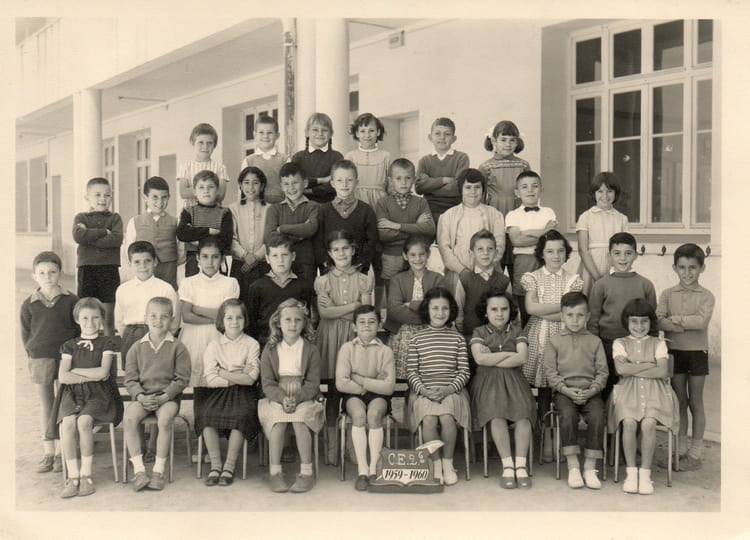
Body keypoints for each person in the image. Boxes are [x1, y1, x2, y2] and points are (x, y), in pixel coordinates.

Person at [521, 230, 583, 461]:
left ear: (566, 253)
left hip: (565, 338)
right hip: (538, 338)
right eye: (550, 251)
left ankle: (558, 438)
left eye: (560, 251)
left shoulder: (573, 280)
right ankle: (543, 438)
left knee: (560, 388)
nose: (556, 256)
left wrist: (545, 309)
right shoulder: (533, 278)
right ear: (542, 254)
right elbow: (531, 308)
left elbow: (571, 314)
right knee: (542, 390)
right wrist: (562, 307)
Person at [54, 297, 124, 498]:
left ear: (102, 319)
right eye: (85, 318)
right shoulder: (69, 346)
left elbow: (103, 373)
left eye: (95, 318)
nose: (90, 322)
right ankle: (73, 476)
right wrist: (87, 375)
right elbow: (63, 376)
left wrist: (76, 371)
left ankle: (86, 475)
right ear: (77, 319)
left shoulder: (106, 343)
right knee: (67, 424)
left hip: (99, 393)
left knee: (84, 422)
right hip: (72, 394)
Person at [178, 236, 240, 459]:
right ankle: (202, 444)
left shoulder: (230, 283)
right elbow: (186, 316)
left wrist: (198, 309)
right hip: (195, 340)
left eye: (215, 257)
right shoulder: (189, 283)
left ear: (222, 259)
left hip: (221, 340)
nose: (210, 262)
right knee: (201, 391)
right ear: (197, 259)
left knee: (220, 388)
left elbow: (227, 315)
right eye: (205, 257)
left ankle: (220, 440)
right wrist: (215, 316)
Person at [608, 298, 679, 495]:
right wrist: (650, 365)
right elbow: (621, 369)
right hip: (627, 391)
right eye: (634, 321)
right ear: (627, 321)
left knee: (648, 424)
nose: (639, 326)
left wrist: (634, 367)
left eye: (644, 321)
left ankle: (645, 474)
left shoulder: (659, 343)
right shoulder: (619, 343)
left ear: (651, 322)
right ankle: (631, 473)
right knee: (629, 423)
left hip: (655, 391)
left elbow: (662, 371)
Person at [657, 243, 715, 470]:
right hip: (674, 352)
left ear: (702, 268)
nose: (687, 273)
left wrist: (676, 321)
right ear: (674, 268)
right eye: (682, 267)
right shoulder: (667, 294)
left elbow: (702, 322)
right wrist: (683, 323)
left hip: (698, 352)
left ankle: (696, 452)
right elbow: (659, 321)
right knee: (679, 401)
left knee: (695, 402)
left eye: (693, 267)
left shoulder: (707, 296)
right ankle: (680, 449)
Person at [20, 251, 79, 474]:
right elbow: (26, 334)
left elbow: (77, 330)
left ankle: (65, 452)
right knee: (47, 405)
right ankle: (49, 451)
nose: (47, 276)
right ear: (34, 276)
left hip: (66, 359)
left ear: (60, 273)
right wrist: (33, 352)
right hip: (41, 358)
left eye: (52, 272)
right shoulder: (29, 304)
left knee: (64, 405)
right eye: (42, 273)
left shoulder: (71, 300)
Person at [469, 290, 535, 490]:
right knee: (496, 415)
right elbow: (479, 359)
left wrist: (492, 357)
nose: (499, 314)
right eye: (494, 309)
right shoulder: (479, 332)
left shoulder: (517, 331)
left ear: (510, 311)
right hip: (487, 382)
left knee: (523, 416)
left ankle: (520, 466)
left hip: (515, 381)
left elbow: (522, 357)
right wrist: (508, 354)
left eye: (504, 309)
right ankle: (507, 466)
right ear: (486, 312)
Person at [124, 297, 191, 491]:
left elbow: (182, 379)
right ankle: (139, 471)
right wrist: (140, 396)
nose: (158, 321)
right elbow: (130, 380)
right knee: (129, 418)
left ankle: (158, 471)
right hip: (143, 397)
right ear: (145, 318)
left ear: (172, 320)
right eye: (153, 316)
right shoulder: (136, 347)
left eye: (164, 316)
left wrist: (165, 396)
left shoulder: (178, 347)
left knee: (164, 420)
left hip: (167, 398)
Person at [258, 299, 324, 493]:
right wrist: (282, 398)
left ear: (304, 323)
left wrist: (297, 398)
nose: (293, 324)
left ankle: (306, 472)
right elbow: (267, 383)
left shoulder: (311, 350)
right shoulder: (270, 349)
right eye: (287, 320)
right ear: (278, 322)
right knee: (278, 421)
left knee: (299, 420)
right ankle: (275, 472)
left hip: (305, 396)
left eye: (298, 320)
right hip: (277, 396)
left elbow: (312, 384)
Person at [543, 292, 608, 489]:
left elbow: (602, 372)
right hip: (564, 392)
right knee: (568, 415)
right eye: (570, 315)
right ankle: (573, 467)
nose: (575, 320)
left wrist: (593, 389)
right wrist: (566, 390)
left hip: (590, 392)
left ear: (587, 316)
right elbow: (550, 372)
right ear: (562, 316)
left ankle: (590, 467)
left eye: (580, 315)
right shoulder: (554, 341)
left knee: (597, 415)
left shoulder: (595, 341)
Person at [407, 287, 471, 486]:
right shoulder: (416, 339)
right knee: (428, 419)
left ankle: (447, 463)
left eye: (444, 308)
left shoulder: (457, 339)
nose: (440, 313)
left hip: (452, 391)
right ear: (427, 310)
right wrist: (424, 391)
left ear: (451, 311)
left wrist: (449, 389)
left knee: (446, 417)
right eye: (435, 308)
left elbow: (464, 372)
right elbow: (412, 372)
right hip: (424, 392)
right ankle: (435, 464)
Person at [199, 299, 261, 487]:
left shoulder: (252, 344)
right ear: (222, 321)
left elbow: (251, 379)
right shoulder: (214, 345)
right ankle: (215, 466)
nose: (234, 322)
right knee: (206, 415)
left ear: (245, 320)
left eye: (239, 317)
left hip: (245, 392)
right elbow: (211, 379)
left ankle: (229, 466)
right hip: (218, 392)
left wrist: (223, 372)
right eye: (229, 318)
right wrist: (238, 374)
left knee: (241, 416)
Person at [588, 232, 656, 399]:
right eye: (617, 253)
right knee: (608, 389)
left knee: (634, 389)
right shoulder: (601, 285)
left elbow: (653, 321)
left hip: (637, 346)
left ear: (636, 255)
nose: (622, 258)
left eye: (628, 253)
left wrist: (651, 348)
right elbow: (593, 320)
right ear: (609, 255)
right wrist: (595, 349)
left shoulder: (646, 285)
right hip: (608, 345)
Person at [335, 305, 396, 491]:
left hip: (378, 395)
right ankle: (362, 471)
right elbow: (342, 383)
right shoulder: (347, 349)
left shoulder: (385, 351)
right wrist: (371, 384)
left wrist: (361, 379)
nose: (367, 325)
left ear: (379, 325)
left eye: (372, 321)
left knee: (374, 415)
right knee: (359, 415)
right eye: (361, 322)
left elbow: (388, 387)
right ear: (354, 326)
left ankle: (373, 470)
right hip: (354, 394)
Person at [437, 168, 505, 329]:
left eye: (477, 187)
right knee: (459, 310)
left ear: (483, 189)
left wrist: (485, 268)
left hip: (487, 270)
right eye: (468, 187)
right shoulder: (448, 215)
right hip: (458, 270)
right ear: (460, 189)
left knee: (488, 308)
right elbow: (444, 247)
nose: (473, 192)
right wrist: (462, 271)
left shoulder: (494, 214)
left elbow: (499, 245)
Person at [386, 235, 444, 379]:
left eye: (421, 254)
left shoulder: (438, 279)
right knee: (407, 341)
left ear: (428, 255)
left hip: (431, 330)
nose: (417, 259)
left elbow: (440, 307)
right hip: (403, 330)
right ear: (405, 256)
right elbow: (394, 311)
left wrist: (411, 304)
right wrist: (426, 311)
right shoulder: (397, 280)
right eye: (412, 255)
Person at [504, 171, 558, 325]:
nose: (530, 190)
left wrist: (528, 233)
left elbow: (550, 238)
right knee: (526, 304)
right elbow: (517, 240)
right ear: (517, 192)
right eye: (524, 187)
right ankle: (527, 336)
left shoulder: (548, 212)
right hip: (524, 261)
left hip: (546, 262)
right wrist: (543, 231)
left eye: (534, 186)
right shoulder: (513, 215)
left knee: (547, 300)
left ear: (541, 189)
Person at [478, 120, 530, 275]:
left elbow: (529, 190)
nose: (508, 144)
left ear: (517, 142)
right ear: (494, 140)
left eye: (512, 140)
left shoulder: (523, 165)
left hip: (518, 215)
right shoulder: (486, 167)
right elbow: (480, 197)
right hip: (496, 214)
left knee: (518, 264)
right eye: (503, 140)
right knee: (496, 262)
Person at [72, 177, 123, 335]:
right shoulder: (81, 218)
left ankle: (109, 345)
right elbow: (78, 236)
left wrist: (89, 237)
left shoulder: (115, 218)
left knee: (108, 316)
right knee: (85, 312)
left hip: (109, 269)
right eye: (98, 195)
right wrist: (103, 232)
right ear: (87, 197)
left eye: (107, 195)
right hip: (87, 269)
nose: (103, 199)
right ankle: (85, 344)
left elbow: (116, 239)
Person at [245, 233, 314, 347]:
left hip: (295, 345)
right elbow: (251, 323)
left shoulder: (303, 286)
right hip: (266, 346)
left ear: (293, 256)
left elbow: (306, 319)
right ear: (267, 259)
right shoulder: (257, 287)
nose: (280, 260)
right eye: (275, 256)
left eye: (285, 255)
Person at [114, 241, 180, 361]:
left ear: (155, 262)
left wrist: (161, 339)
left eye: (147, 261)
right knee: (132, 369)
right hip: (131, 336)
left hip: (159, 336)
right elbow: (119, 321)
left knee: (157, 370)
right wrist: (129, 336)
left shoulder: (165, 288)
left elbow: (174, 321)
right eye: (137, 262)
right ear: (129, 264)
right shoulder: (123, 289)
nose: (143, 266)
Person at [375, 158, 436, 287]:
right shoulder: (383, 203)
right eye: (398, 178)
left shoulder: (421, 202)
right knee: (392, 292)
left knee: (416, 290)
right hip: (392, 256)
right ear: (390, 180)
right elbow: (383, 234)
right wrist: (416, 226)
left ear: (414, 179)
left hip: (416, 255)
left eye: (408, 178)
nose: (403, 182)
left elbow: (430, 229)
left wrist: (396, 226)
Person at [314, 160, 379, 276]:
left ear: (357, 182)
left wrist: (360, 264)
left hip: (357, 272)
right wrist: (326, 264)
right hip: (330, 271)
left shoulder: (366, 210)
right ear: (332, 183)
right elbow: (318, 241)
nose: (344, 184)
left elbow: (372, 241)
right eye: (339, 180)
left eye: (349, 180)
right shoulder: (324, 210)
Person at [264, 162, 320, 286]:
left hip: (306, 264)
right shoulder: (274, 209)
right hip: (280, 265)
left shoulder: (313, 206)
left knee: (305, 294)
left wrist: (282, 229)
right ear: (281, 186)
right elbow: (269, 237)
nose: (291, 188)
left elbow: (311, 228)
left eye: (295, 183)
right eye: (286, 184)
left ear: (305, 183)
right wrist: (301, 235)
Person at [123, 176, 183, 289]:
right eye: (155, 197)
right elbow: (129, 250)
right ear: (145, 198)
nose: (160, 202)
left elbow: (181, 250)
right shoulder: (134, 221)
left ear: (169, 197)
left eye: (164, 197)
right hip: (144, 270)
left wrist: (170, 261)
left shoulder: (176, 222)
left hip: (168, 270)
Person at [576, 172, 629, 296]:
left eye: (609, 191)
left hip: (614, 266)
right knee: (591, 298)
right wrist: (597, 278)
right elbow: (583, 250)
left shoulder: (621, 219)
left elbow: (625, 249)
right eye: (600, 191)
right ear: (593, 193)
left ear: (616, 193)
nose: (605, 196)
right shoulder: (586, 217)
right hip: (591, 266)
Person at [176, 170, 233, 278]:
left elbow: (226, 240)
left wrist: (196, 239)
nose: (206, 191)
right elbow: (182, 233)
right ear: (194, 191)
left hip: (216, 259)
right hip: (193, 260)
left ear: (217, 190)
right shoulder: (188, 211)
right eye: (201, 187)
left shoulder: (224, 213)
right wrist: (209, 231)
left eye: (210, 187)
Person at [415, 117, 470, 225]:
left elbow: (458, 187)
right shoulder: (424, 161)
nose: (442, 137)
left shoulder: (461, 158)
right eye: (437, 133)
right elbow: (419, 187)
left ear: (454, 138)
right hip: (430, 211)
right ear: (430, 137)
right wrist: (443, 180)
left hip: (455, 210)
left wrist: (430, 187)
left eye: (447, 134)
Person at [458, 229, 511, 342]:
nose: (485, 253)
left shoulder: (504, 281)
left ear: (496, 253)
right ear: (472, 253)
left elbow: (511, 311)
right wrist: (461, 334)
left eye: (490, 249)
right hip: (470, 336)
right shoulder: (465, 278)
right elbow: (459, 310)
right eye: (480, 249)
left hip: (498, 340)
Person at [227, 166, 269, 299]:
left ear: (262, 186)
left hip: (263, 263)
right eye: (246, 182)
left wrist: (256, 256)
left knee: (262, 300)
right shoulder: (233, 209)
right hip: (240, 264)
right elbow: (230, 238)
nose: (251, 187)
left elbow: (272, 237)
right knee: (240, 300)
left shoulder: (270, 209)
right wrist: (245, 255)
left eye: (255, 183)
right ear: (240, 185)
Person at [291, 112, 344, 204]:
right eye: (315, 130)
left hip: (329, 205)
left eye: (324, 130)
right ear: (307, 132)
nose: (320, 133)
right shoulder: (298, 157)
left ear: (331, 133)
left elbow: (335, 184)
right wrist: (322, 180)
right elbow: (295, 181)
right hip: (303, 205)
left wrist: (309, 190)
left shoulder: (337, 157)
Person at [177, 122, 230, 208]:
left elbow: (221, 195)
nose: (205, 146)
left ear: (214, 145)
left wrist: (197, 189)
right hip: (191, 212)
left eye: (209, 143)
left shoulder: (220, 168)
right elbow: (183, 193)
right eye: (201, 142)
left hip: (213, 212)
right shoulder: (186, 167)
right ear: (192, 142)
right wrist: (210, 188)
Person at [344, 112, 391, 209]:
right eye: (362, 131)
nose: (367, 135)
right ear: (357, 133)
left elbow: (391, 185)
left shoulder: (386, 156)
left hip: (380, 202)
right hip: (356, 201)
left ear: (378, 132)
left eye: (371, 131)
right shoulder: (350, 156)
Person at [240, 114, 286, 204]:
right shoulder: (248, 161)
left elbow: (289, 186)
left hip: (279, 206)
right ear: (254, 134)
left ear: (277, 135)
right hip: (255, 206)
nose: (265, 136)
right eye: (261, 132)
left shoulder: (284, 159)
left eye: (270, 133)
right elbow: (242, 188)